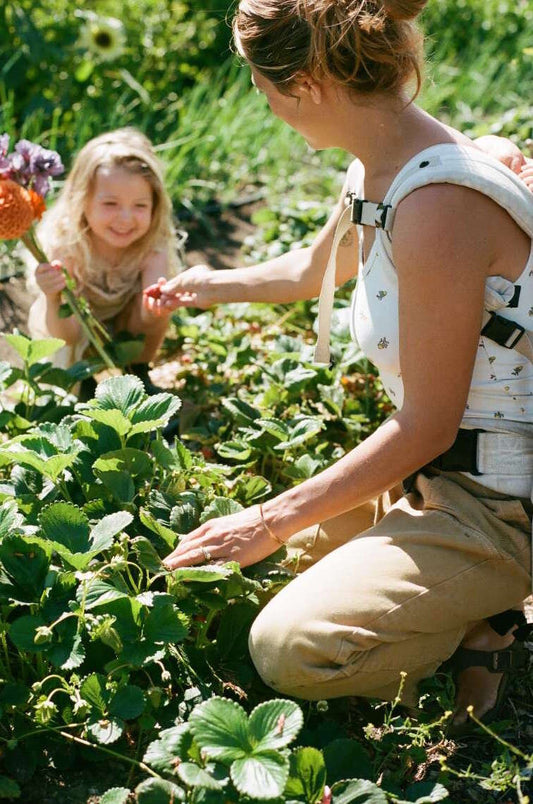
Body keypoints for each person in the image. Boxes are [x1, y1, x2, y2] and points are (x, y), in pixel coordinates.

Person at [147, 0, 533, 731]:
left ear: (307, 82)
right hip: (430, 476)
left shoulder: (437, 204)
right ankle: (454, 598)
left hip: (498, 503)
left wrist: (268, 517)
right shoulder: (381, 166)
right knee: (269, 571)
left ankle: (489, 619)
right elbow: (315, 267)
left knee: (288, 645)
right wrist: (208, 286)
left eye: (262, 83)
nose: (260, 100)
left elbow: (425, 424)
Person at [27, 128, 181, 392]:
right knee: (66, 351)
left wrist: (154, 306)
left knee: (156, 310)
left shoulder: (152, 243)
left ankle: (138, 371)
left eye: (140, 206)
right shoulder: (67, 245)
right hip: (71, 328)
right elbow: (68, 335)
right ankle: (79, 381)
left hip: (123, 322)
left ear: (155, 206)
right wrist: (53, 298)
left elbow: (148, 312)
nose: (125, 218)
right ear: (82, 200)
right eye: (110, 204)